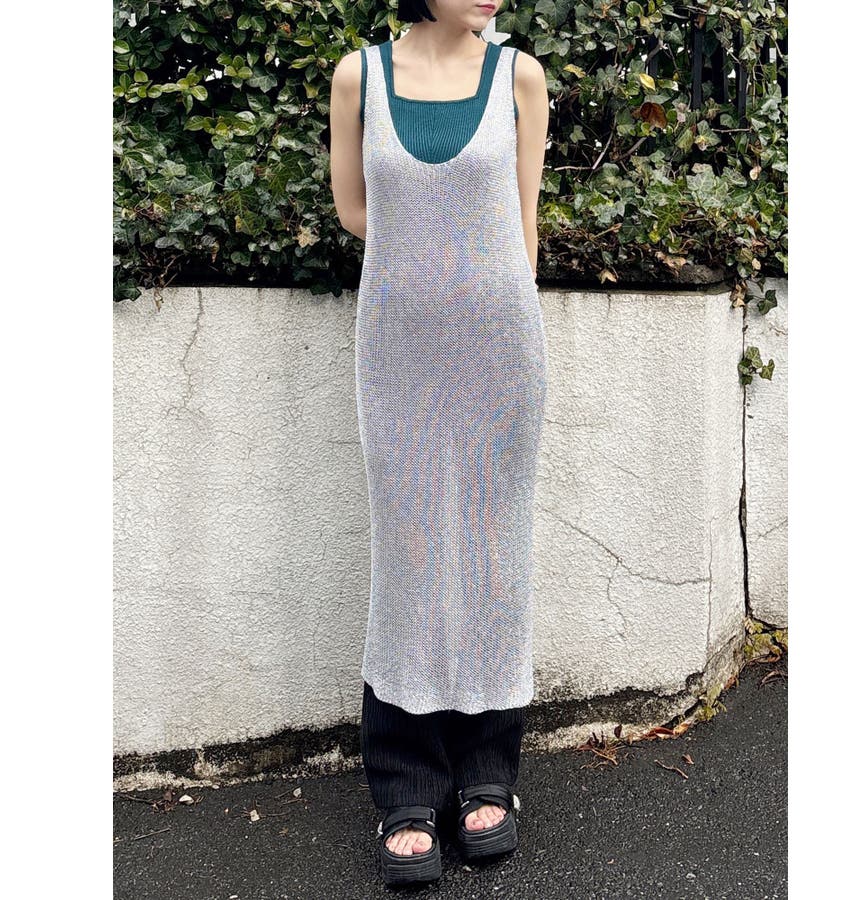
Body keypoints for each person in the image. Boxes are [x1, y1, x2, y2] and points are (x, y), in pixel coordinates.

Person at [329, 0, 549, 885]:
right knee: (411, 553)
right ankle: (407, 781)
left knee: (494, 555)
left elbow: (523, 226)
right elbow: (357, 210)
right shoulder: (360, 77)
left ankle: (489, 770)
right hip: (400, 353)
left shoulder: (519, 76)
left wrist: (484, 291)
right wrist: (433, 260)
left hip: (499, 349)